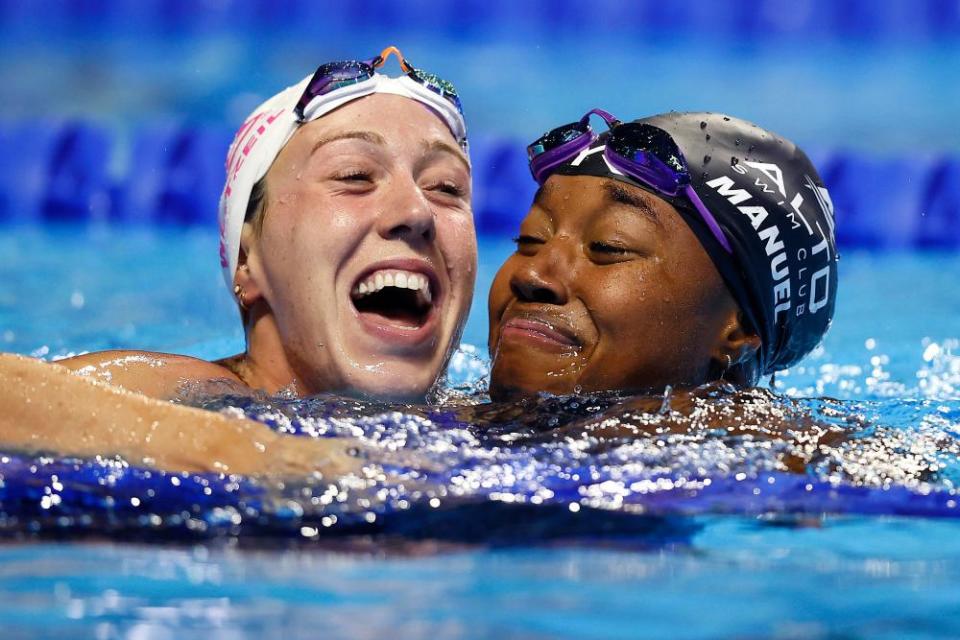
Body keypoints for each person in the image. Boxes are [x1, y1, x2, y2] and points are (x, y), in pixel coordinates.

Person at [59, 46, 477, 402]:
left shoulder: (492, 427)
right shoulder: (182, 401)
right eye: (354, 176)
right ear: (246, 260)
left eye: (446, 187)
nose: (417, 213)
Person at [487, 109, 837, 401]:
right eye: (530, 239)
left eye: (609, 247)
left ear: (739, 330)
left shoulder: (791, 462)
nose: (532, 275)